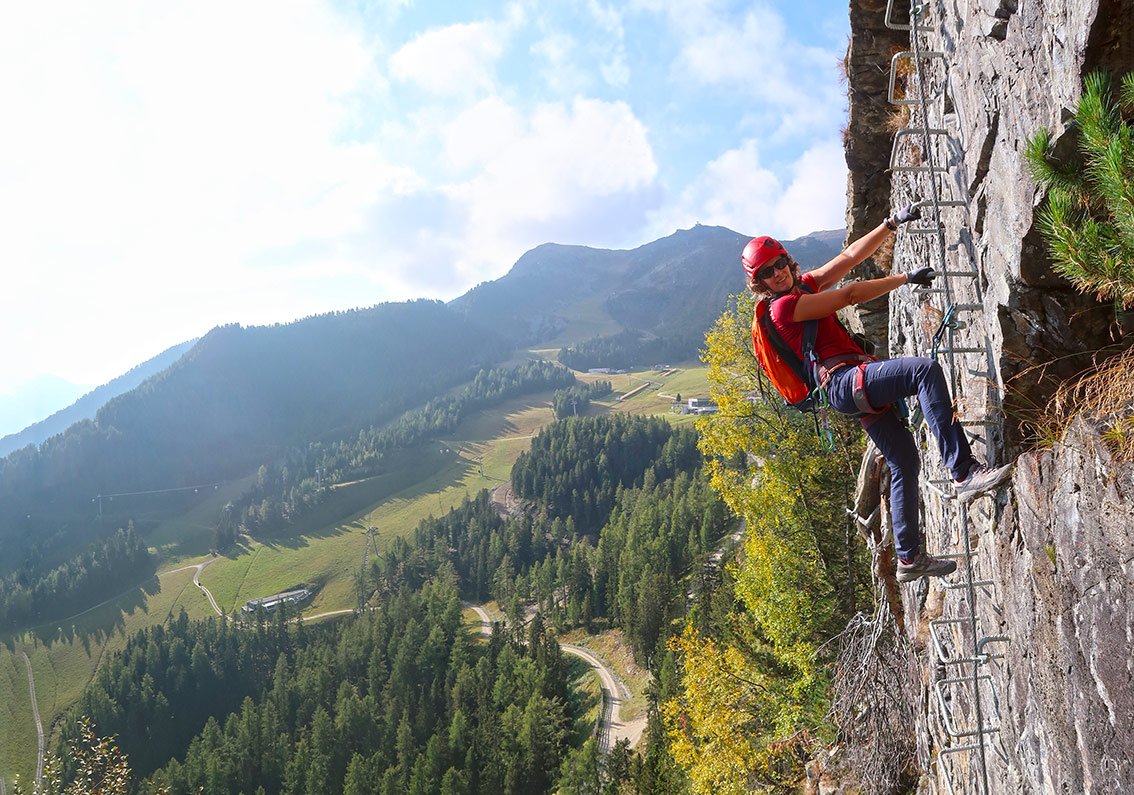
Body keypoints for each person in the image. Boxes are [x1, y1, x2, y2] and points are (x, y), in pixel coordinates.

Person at [741, 206, 1013, 582]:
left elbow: (850, 257)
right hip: (844, 382)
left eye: (779, 263)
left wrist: (890, 224)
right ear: (760, 283)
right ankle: (963, 471)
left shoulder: (803, 286)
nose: (778, 273)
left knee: (904, 460)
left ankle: (909, 558)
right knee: (923, 371)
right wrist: (905, 278)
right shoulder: (784, 308)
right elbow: (850, 294)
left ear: (787, 259)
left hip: (847, 387)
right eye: (767, 272)